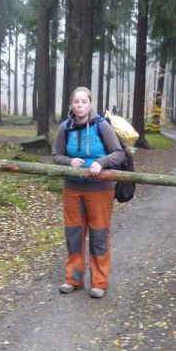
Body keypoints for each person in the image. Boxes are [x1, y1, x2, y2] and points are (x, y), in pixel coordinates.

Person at [53, 87, 125, 298]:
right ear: (71, 105)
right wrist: (69, 161)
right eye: (76, 102)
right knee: (74, 235)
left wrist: (101, 163)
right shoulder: (65, 128)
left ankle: (99, 282)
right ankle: (73, 279)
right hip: (72, 188)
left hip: (100, 189)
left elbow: (118, 154)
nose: (80, 105)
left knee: (99, 235)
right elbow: (56, 155)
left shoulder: (101, 126)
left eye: (84, 101)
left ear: (90, 103)